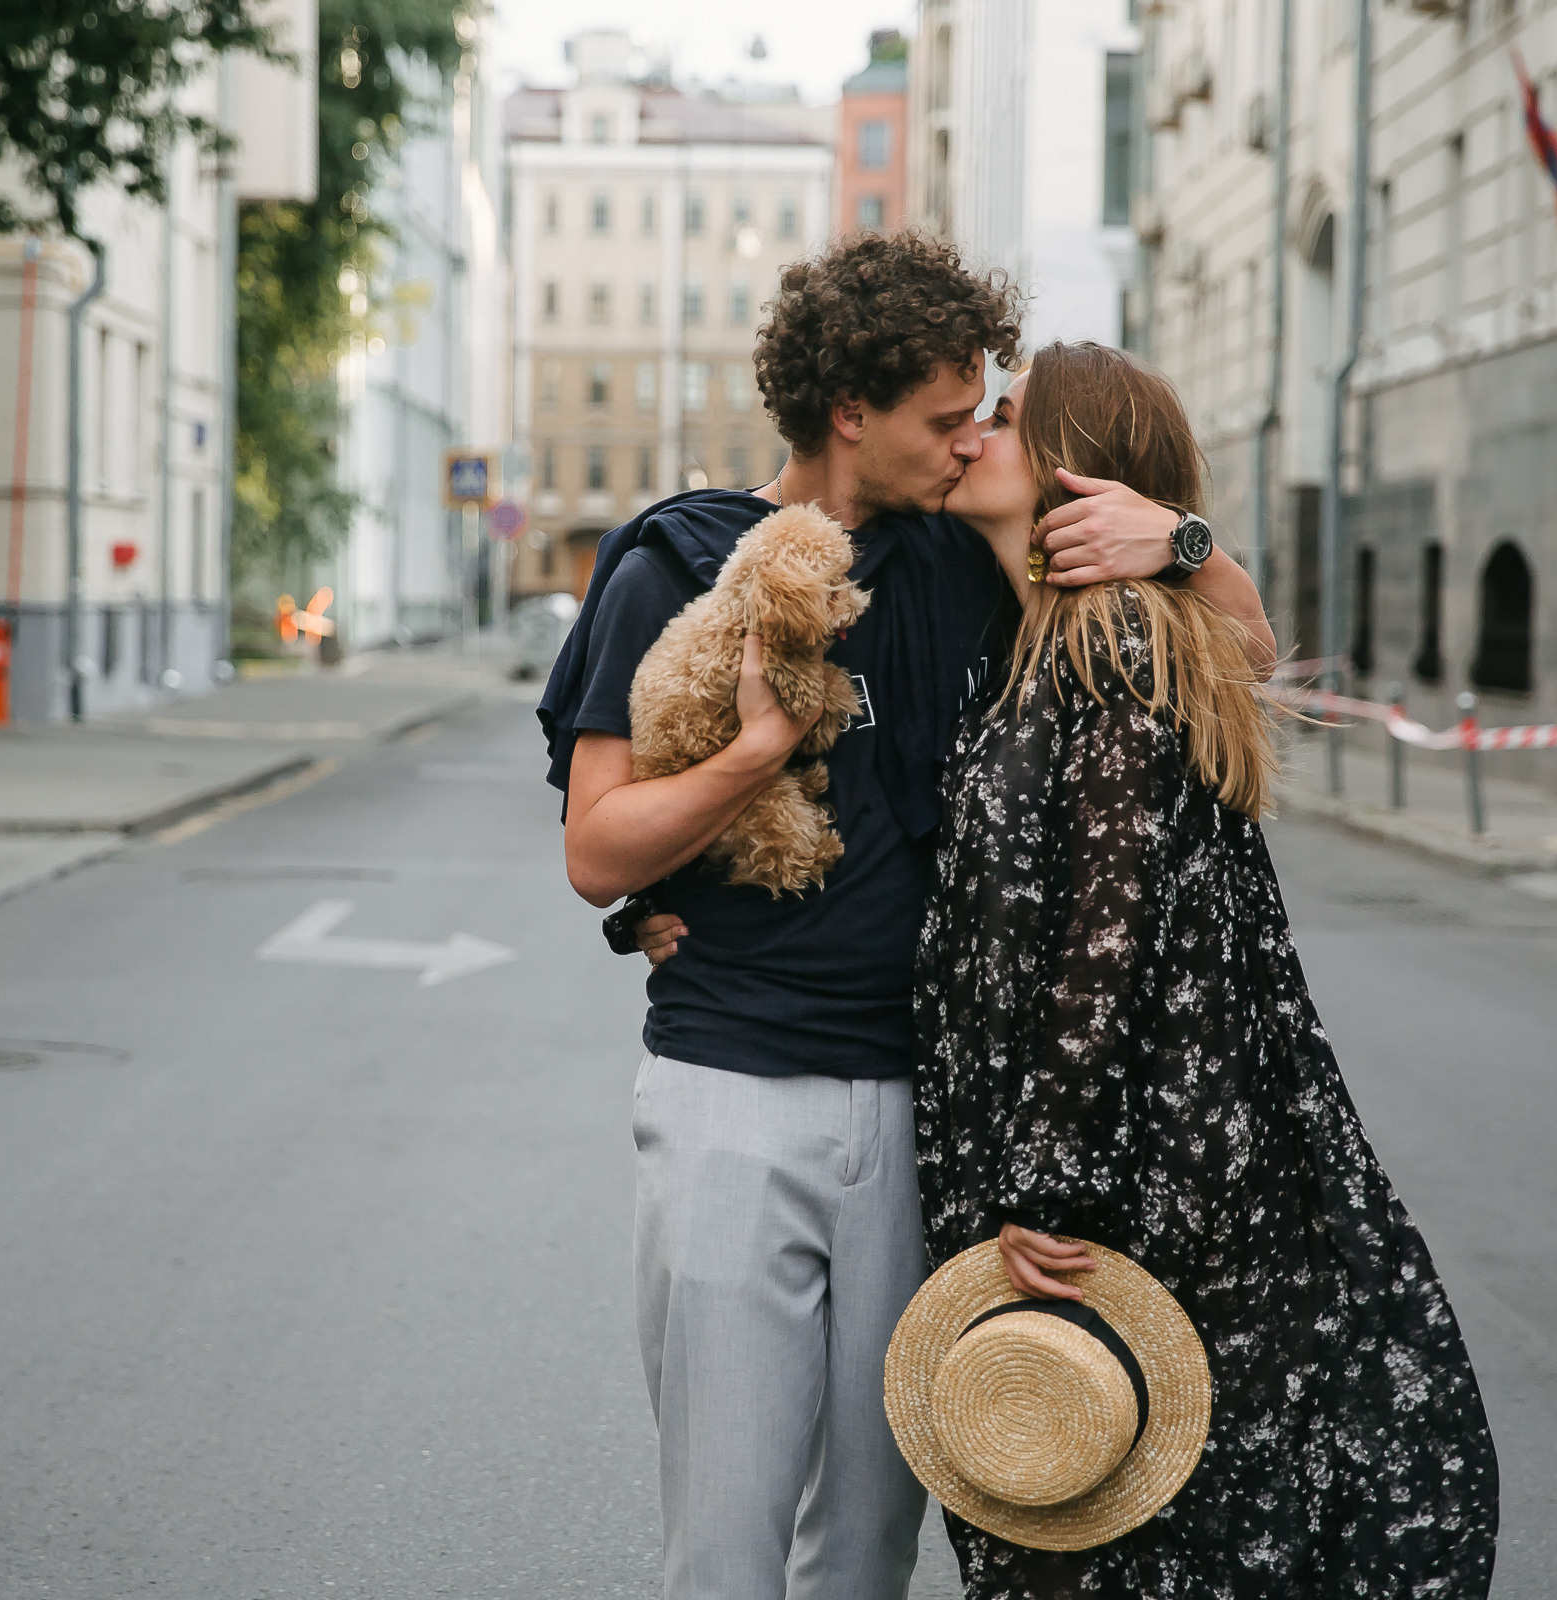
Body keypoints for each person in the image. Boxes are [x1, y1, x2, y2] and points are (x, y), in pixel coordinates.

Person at [536, 233, 1273, 1600]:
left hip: (923, 1119)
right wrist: (754, 757)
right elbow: (595, 851)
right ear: (848, 413)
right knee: (728, 1533)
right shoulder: (679, 564)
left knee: (871, 1545)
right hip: (731, 1093)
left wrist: (1180, 542)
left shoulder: (958, 557)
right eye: (944, 418)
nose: (965, 442)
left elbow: (1236, 651)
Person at [912, 340, 1499, 1598]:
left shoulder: (1110, 642)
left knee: (1114, 1518)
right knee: (1121, 1520)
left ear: (1071, 466)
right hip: (1112, 1159)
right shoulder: (1063, 635)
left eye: (1001, 421)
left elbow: (1104, 940)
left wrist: (1046, 1179)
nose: (970, 437)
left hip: (1108, 1181)